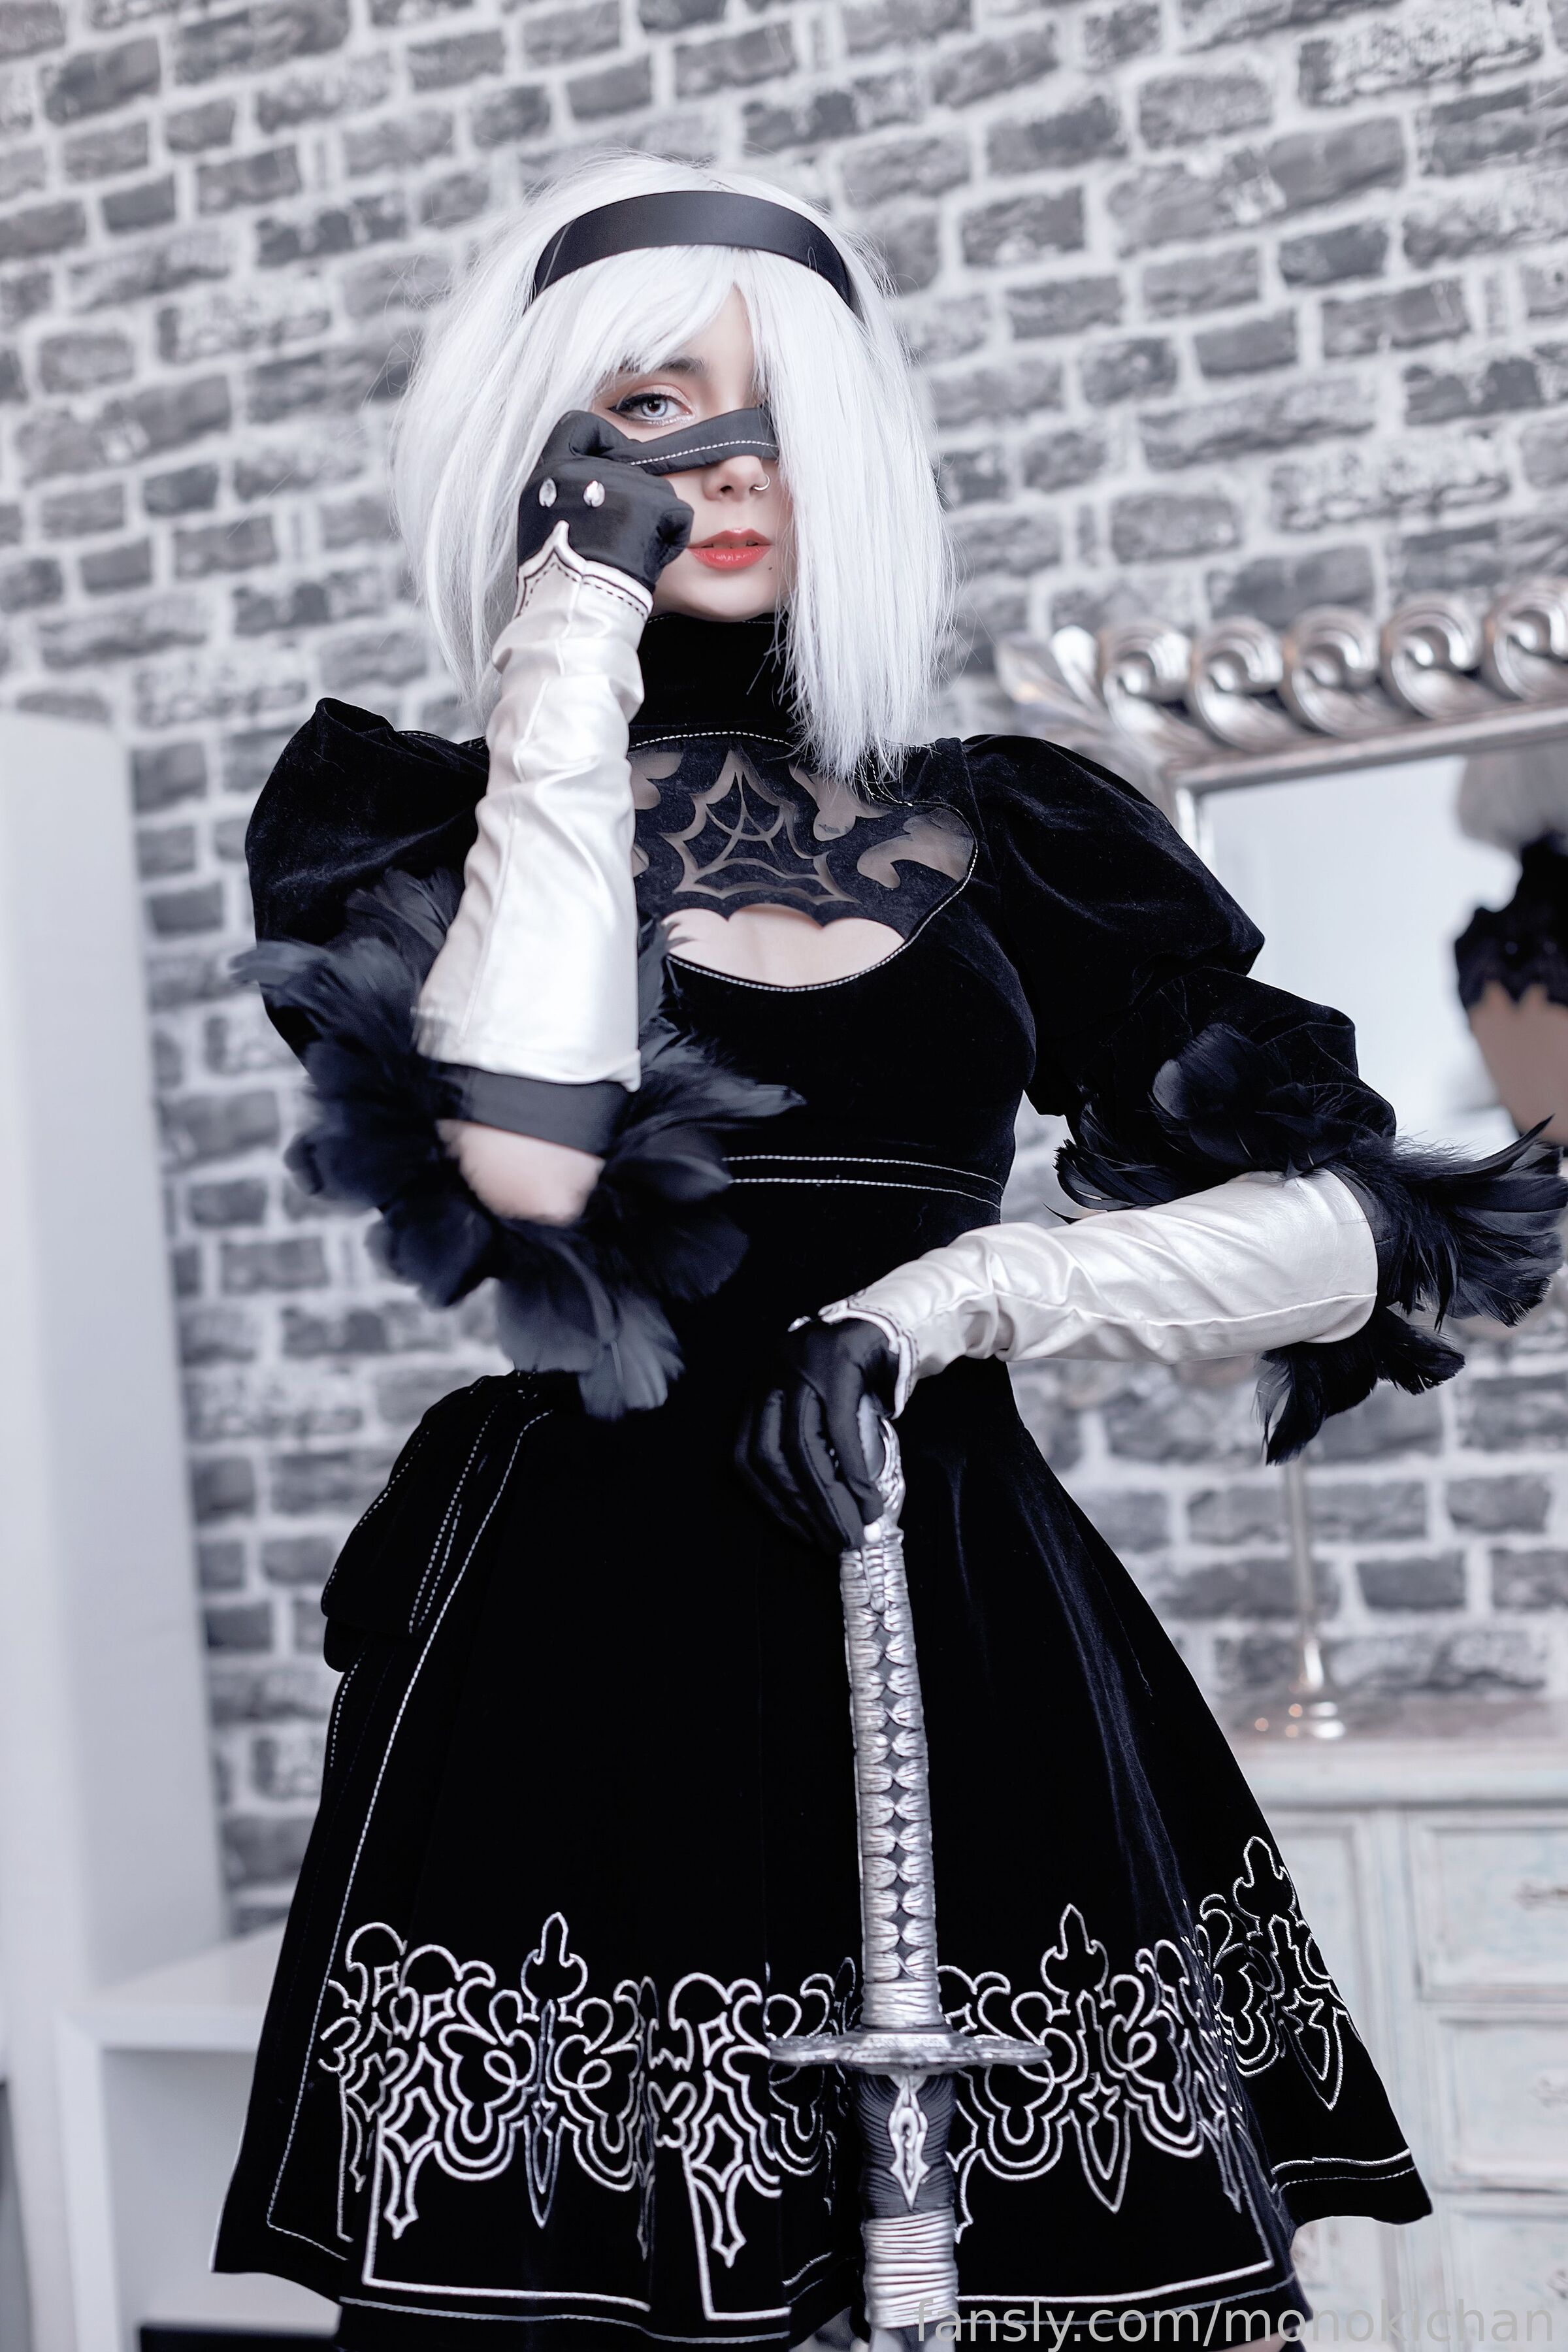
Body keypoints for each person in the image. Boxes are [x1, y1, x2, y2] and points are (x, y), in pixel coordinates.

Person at [214, 154, 1562, 2349]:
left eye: (776, 407)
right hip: (584, 1632)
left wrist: (963, 1297)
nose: (727, 463)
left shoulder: (1021, 830)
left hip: (949, 1585)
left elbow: (1362, 1235)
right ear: (550, 449)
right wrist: (569, 639)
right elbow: (533, 1165)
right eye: (653, 406)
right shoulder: (423, 821)